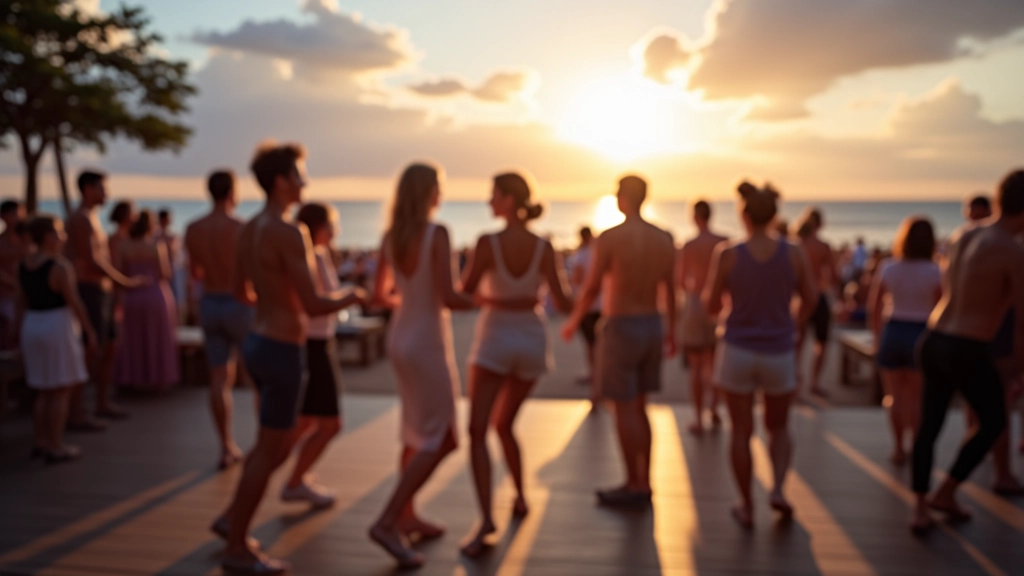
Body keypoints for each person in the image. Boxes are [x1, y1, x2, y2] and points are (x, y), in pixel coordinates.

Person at [211, 143, 365, 575]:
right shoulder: (288, 232)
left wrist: (276, 298)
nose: (305, 183)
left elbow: (242, 292)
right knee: (266, 452)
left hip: (258, 342)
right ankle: (237, 547)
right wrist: (352, 294)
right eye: (299, 175)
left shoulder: (249, 229)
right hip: (282, 350)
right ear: (281, 182)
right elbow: (315, 305)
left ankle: (232, 524)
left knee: (270, 446)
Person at [458, 173, 573, 557]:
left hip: (495, 337)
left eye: (493, 194)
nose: (489, 200)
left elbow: (465, 293)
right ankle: (521, 496)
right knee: (506, 424)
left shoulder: (487, 243)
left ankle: (487, 520)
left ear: (507, 200)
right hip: (531, 338)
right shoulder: (545, 245)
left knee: (478, 430)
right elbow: (564, 300)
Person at [368, 163, 475, 569]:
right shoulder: (438, 233)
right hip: (427, 340)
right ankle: (388, 519)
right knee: (444, 437)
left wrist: (409, 302)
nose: (441, 194)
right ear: (429, 191)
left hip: (399, 337)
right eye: (439, 187)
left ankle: (408, 515)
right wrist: (485, 297)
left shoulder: (390, 237)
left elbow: (380, 296)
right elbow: (449, 297)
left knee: (414, 430)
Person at [910, 170, 1024, 533]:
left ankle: (920, 508)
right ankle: (946, 492)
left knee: (929, 425)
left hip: (934, 337)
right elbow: (1023, 317)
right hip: (967, 346)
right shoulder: (1012, 251)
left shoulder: (963, 234)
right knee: (993, 422)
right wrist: (1017, 365)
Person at [704, 182, 817, 529]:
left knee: (741, 430)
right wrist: (791, 326)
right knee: (779, 427)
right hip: (779, 350)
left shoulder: (728, 253)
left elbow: (709, 304)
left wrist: (732, 310)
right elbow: (811, 299)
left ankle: (746, 503)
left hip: (737, 348)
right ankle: (779, 489)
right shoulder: (794, 252)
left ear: (744, 215)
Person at [561, 175, 676, 507]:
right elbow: (670, 289)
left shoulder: (611, 237)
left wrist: (573, 320)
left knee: (623, 407)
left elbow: (593, 286)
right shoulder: (663, 237)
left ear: (624, 197)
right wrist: (672, 330)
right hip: (651, 323)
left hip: (622, 324)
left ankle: (633, 483)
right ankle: (645, 480)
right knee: (641, 407)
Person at [185, 170, 254, 470]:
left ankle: (226, 446)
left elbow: (195, 273)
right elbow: (252, 272)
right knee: (256, 375)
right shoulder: (241, 227)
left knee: (218, 378)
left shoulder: (193, 228)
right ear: (231, 192)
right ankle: (265, 443)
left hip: (210, 302)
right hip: (239, 301)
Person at [64, 171, 143, 429]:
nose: (106, 194)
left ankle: (101, 403)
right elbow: (91, 260)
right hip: (88, 290)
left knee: (109, 347)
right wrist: (125, 282)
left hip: (102, 292)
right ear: (88, 189)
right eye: (102, 189)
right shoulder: (80, 219)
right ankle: (76, 413)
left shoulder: (93, 219)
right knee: (89, 350)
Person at [280, 202, 345, 508]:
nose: (336, 230)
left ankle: (295, 477)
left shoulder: (317, 255)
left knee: (305, 422)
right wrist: (351, 296)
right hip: (314, 346)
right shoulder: (310, 258)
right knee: (330, 424)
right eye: (332, 224)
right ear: (318, 227)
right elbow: (314, 303)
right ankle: (293, 480)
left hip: (318, 343)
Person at [18, 215, 96, 463]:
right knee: (61, 388)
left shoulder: (23, 265)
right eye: (60, 232)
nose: (64, 238)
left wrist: (17, 332)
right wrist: (88, 330)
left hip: (32, 324)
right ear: (49, 236)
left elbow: (19, 303)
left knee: (43, 388)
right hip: (56, 325)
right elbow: (75, 303)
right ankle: (56, 444)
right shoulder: (60, 266)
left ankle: (41, 441)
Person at [868, 218, 941, 465]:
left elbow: (875, 306)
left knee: (894, 396)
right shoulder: (935, 271)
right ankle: (915, 445)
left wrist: (877, 337)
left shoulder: (888, 267)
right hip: (922, 332)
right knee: (917, 397)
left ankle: (898, 447)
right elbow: (941, 308)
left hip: (894, 329)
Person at [112, 210, 179, 392]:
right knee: (156, 338)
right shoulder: (156, 245)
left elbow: (118, 274)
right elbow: (165, 274)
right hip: (155, 295)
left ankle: (131, 380)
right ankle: (157, 381)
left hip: (131, 296)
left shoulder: (123, 245)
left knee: (132, 340)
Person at [677, 200, 728, 435]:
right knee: (715, 362)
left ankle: (698, 417)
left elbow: (679, 280)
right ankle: (714, 408)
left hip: (696, 303)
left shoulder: (689, 245)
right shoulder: (723, 242)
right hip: (719, 305)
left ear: (695, 217)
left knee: (696, 366)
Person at [794, 207, 839, 397]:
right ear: (819, 225)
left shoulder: (795, 245)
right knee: (821, 343)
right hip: (818, 296)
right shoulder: (823, 246)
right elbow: (834, 276)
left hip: (798, 298)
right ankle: (814, 383)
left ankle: (794, 382)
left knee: (797, 342)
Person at [568, 226, 601, 399]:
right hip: (603, 306)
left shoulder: (581, 255)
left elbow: (578, 281)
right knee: (601, 345)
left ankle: (595, 379)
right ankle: (598, 377)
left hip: (587, 306)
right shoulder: (598, 253)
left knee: (591, 345)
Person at [0, 200, 26, 350]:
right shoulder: (1, 241)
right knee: (8, 336)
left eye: (20, 213)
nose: (19, 217)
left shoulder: (27, 241)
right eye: (14, 213)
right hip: (6, 296)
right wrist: (13, 284)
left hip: (24, 296)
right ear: (3, 216)